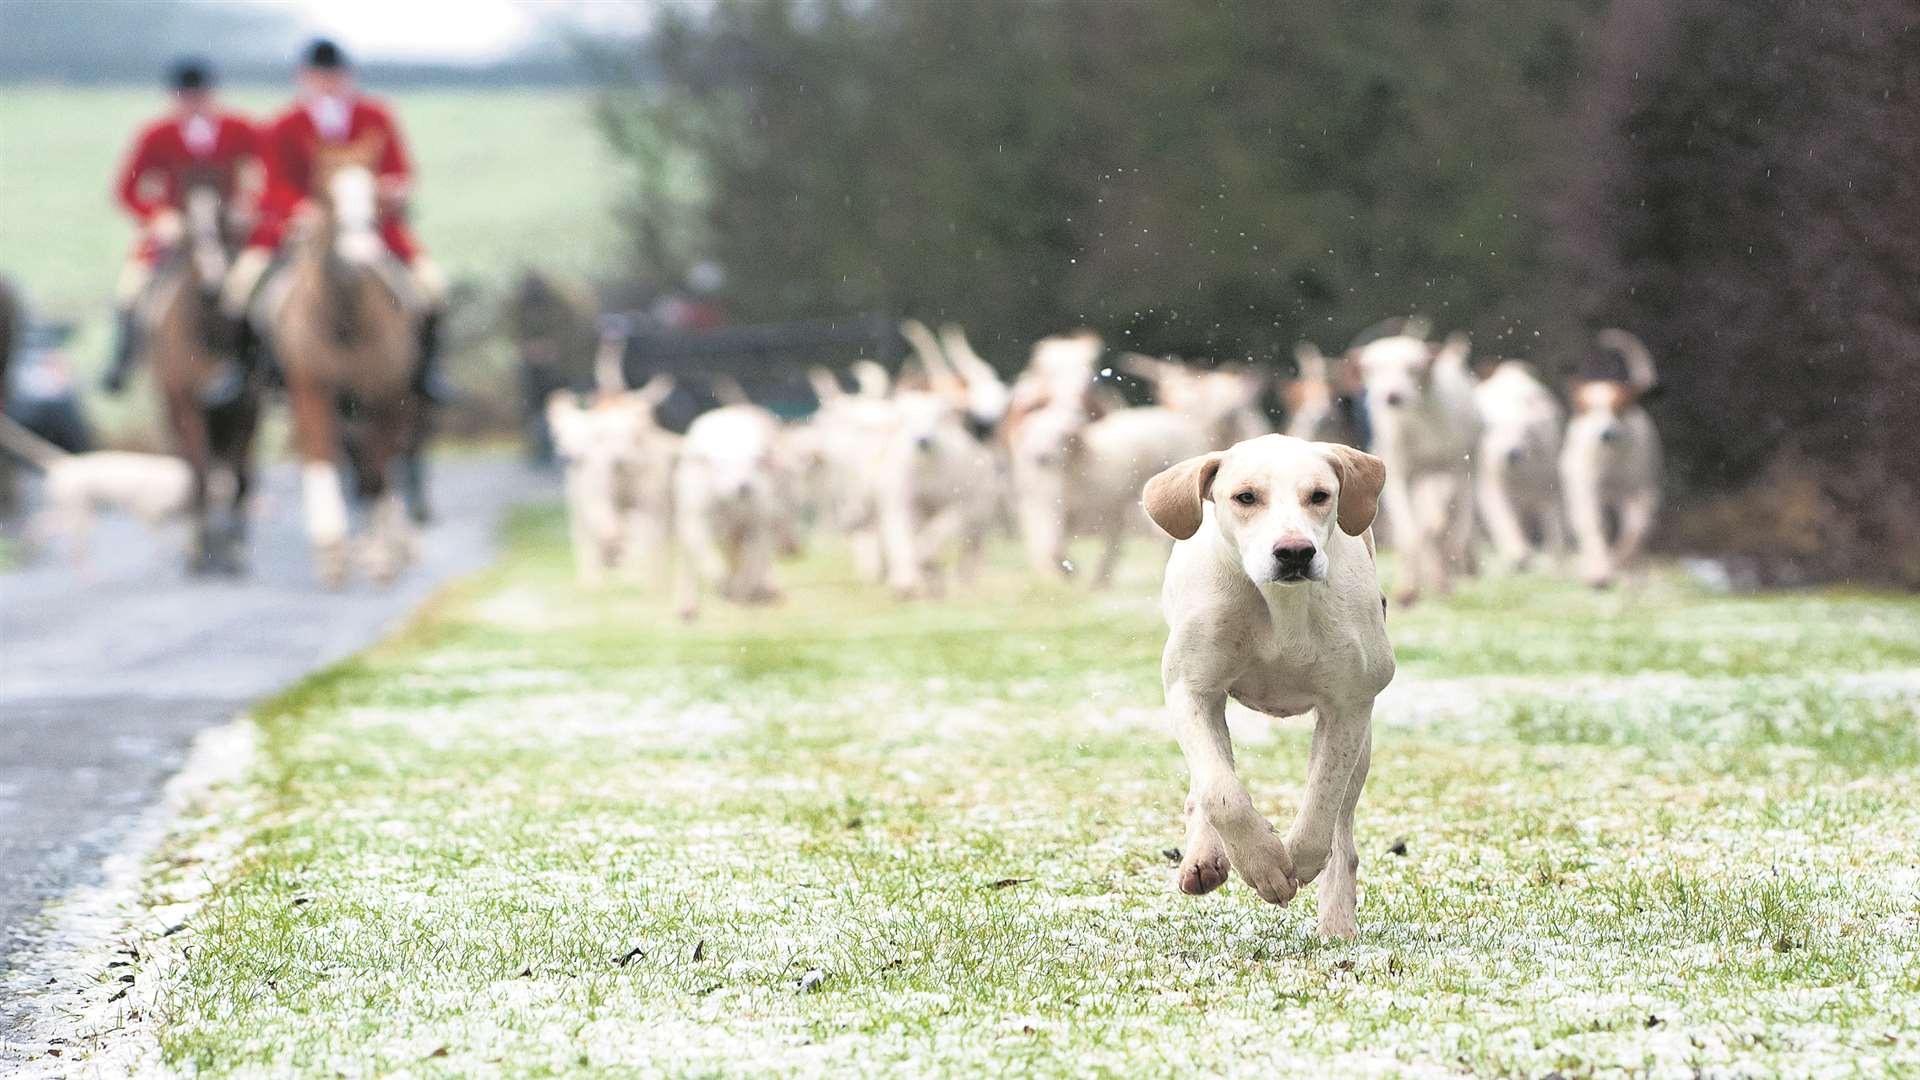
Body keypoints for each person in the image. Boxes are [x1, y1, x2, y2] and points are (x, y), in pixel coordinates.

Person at [211, 39, 449, 406]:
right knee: (240, 289)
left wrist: (394, 189)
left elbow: (399, 169)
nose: (327, 84)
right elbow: (273, 184)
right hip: (300, 234)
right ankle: (246, 371)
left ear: (348, 77)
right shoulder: (284, 123)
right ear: (304, 78)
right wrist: (302, 210)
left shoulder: (377, 117)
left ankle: (427, 372)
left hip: (374, 231)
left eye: (334, 77)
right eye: (319, 77)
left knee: (433, 287)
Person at [102, 59, 262, 395]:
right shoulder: (156, 135)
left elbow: (268, 173)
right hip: (174, 238)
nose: (195, 104)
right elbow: (125, 190)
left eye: (200, 96)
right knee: (128, 292)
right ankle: (121, 365)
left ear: (212, 95)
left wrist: (248, 205)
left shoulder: (240, 129)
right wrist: (158, 216)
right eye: (187, 98)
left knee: (256, 287)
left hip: (229, 236)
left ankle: (263, 364)